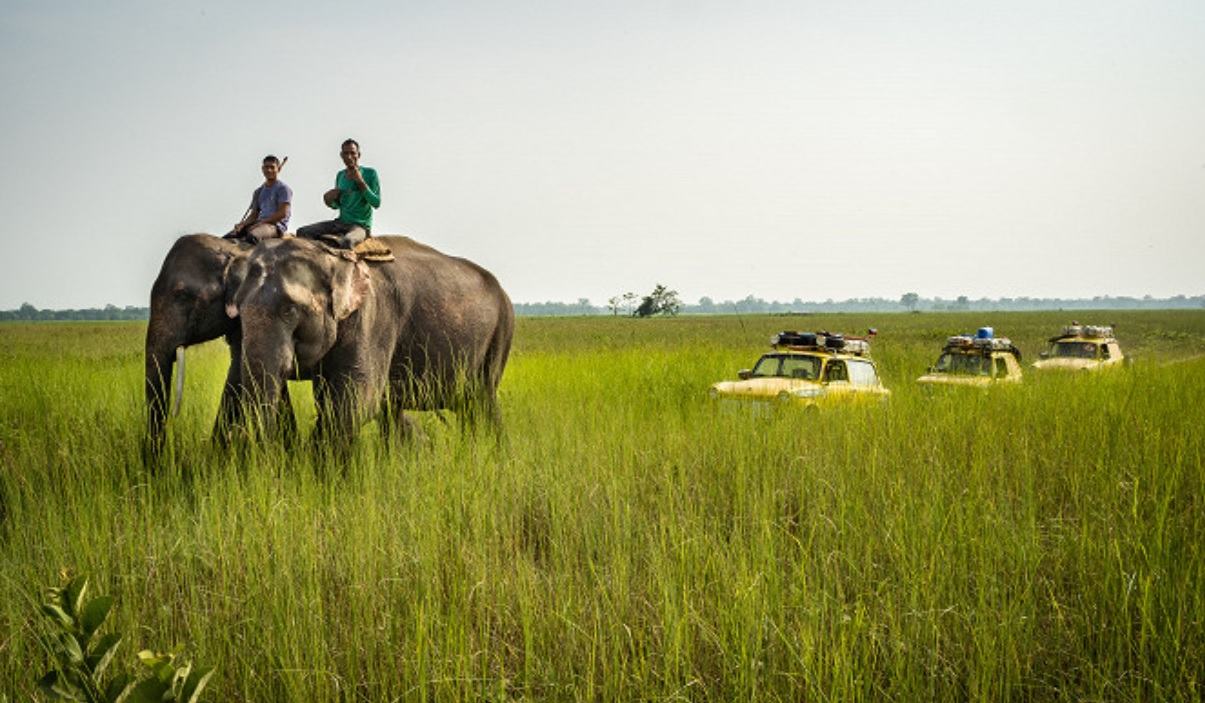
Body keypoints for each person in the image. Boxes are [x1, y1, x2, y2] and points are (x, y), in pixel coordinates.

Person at [297, 138, 380, 248]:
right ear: (341, 155)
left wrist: (360, 182)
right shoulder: (340, 175)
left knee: (347, 241)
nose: (349, 157)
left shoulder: (370, 173)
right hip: (340, 223)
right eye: (346, 153)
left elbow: (376, 203)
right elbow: (337, 205)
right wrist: (328, 200)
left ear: (359, 154)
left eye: (352, 153)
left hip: (360, 226)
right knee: (302, 232)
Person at [226, 155, 292, 243]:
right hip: (259, 223)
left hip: (275, 226)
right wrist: (243, 224)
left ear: (278, 169)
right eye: (266, 167)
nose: (269, 170)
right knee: (227, 237)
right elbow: (254, 215)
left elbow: (283, 213)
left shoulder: (283, 189)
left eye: (272, 167)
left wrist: (262, 223)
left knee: (252, 237)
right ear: (262, 169)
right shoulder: (258, 192)